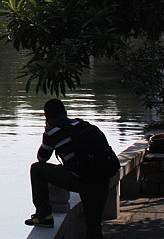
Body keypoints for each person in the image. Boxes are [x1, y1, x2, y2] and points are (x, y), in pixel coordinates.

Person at [25, 98, 120, 238]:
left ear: (47, 116)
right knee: (94, 227)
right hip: (102, 179)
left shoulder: (52, 131)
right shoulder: (81, 124)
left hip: (81, 179)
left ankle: (43, 215)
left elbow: (42, 158)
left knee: (37, 169)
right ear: (65, 112)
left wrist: (47, 132)